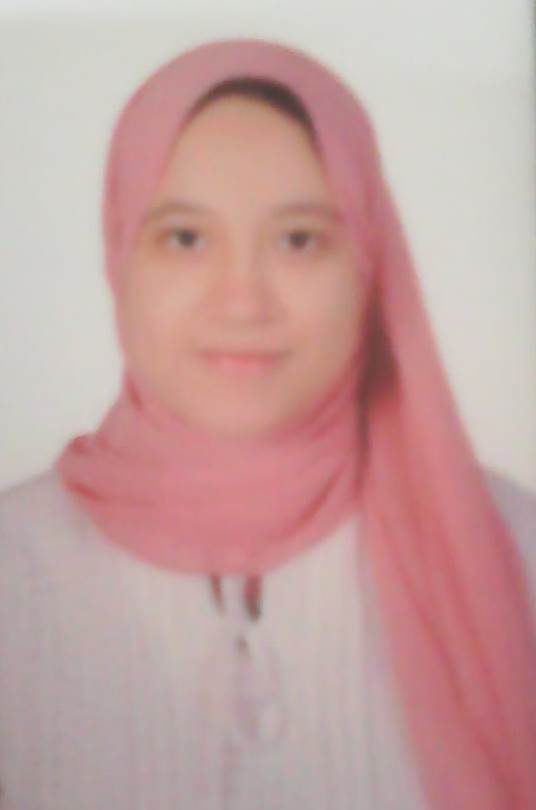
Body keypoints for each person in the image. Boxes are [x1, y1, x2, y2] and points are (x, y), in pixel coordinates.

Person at [0, 36, 534, 810]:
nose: (244, 301)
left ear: (368, 264)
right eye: (186, 238)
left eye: (298, 240)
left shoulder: (511, 550)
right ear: (120, 259)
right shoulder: (13, 573)